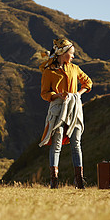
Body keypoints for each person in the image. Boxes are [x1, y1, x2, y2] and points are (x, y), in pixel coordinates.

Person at [38, 38, 92, 189]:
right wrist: (58, 95)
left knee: (76, 143)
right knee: (56, 143)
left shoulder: (75, 68)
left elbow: (88, 82)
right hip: (58, 109)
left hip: (74, 108)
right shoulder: (49, 72)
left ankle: (79, 180)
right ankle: (54, 181)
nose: (73, 56)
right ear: (62, 53)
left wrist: (78, 94)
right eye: (71, 53)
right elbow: (44, 93)